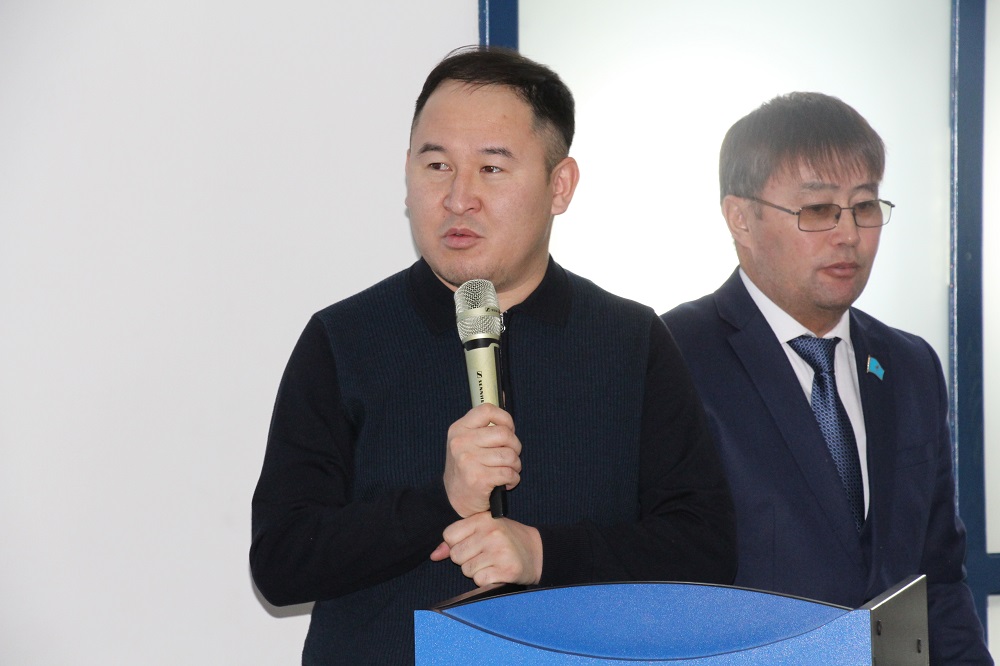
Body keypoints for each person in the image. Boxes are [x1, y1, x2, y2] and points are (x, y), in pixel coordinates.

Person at [250, 47, 736, 665]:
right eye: (436, 165)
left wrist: (543, 554)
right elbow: (281, 562)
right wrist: (441, 500)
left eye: (492, 168)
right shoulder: (344, 339)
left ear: (560, 185)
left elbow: (704, 551)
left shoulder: (631, 341)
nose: (459, 198)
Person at [662, 92, 992, 664]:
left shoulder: (910, 365)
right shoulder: (674, 356)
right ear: (740, 218)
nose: (849, 235)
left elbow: (937, 580)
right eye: (817, 210)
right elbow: (658, 588)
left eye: (864, 206)